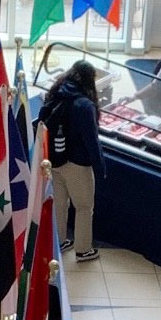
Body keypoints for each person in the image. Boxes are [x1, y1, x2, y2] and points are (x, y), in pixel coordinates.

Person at [38, 60, 106, 262]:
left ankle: (59, 241)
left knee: (60, 203)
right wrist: (100, 166)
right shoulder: (84, 105)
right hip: (77, 164)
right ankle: (83, 249)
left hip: (53, 159)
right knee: (84, 207)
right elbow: (91, 140)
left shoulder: (56, 92)